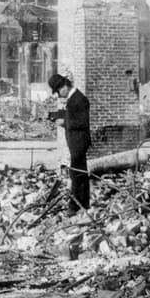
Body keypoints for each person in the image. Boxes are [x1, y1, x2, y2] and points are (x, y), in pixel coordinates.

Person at [48, 73, 91, 214]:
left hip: (79, 142)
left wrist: (64, 122)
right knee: (80, 174)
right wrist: (53, 115)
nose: (59, 95)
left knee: (77, 174)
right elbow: (70, 114)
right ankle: (83, 205)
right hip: (76, 142)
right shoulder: (73, 98)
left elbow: (81, 122)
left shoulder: (79, 99)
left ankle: (75, 207)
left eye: (59, 91)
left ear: (64, 86)